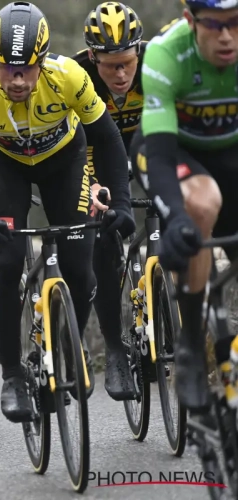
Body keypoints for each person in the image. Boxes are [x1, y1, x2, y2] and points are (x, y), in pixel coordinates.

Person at [0, 2, 134, 422]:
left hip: (63, 161)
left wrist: (122, 203)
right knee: (8, 259)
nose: (17, 79)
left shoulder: (68, 77)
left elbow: (106, 139)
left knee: (79, 262)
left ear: (43, 61)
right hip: (3, 165)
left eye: (27, 69)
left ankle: (71, 347)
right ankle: (13, 374)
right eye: (8, 68)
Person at [132, 0, 238, 412]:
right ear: (191, 21)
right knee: (201, 203)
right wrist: (174, 217)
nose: (226, 36)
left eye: (234, 24)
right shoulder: (165, 54)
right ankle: (192, 341)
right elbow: (158, 153)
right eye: (214, 25)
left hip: (230, 156)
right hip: (176, 155)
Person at [71, 1, 147, 400]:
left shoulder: (154, 65)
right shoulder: (74, 74)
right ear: (91, 57)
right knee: (101, 231)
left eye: (128, 64)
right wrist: (96, 192)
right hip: (92, 154)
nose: (121, 74)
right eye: (110, 65)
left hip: (144, 145)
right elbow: (74, 148)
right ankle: (115, 348)